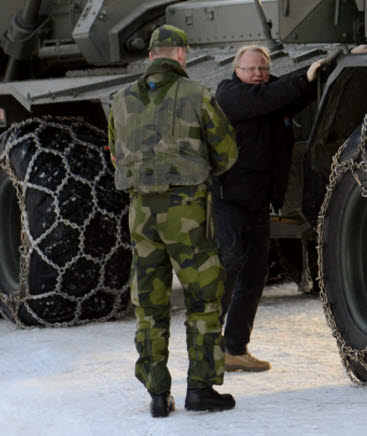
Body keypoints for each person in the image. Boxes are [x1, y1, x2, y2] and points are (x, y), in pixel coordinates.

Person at [107, 24, 239, 418]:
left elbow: (116, 154)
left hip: (141, 213)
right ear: (182, 54)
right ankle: (200, 389)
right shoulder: (197, 94)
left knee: (149, 301)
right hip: (187, 213)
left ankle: (156, 395)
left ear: (151, 57)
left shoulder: (119, 100)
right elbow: (227, 152)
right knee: (203, 298)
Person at [211, 45, 329, 372]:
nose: (258, 74)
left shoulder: (271, 92)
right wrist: (302, 76)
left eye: (263, 68)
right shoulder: (230, 95)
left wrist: (327, 69)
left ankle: (235, 349)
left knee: (255, 274)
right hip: (227, 198)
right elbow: (268, 98)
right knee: (229, 262)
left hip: (259, 201)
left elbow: (297, 94)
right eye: (251, 69)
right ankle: (208, 348)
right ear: (237, 70)